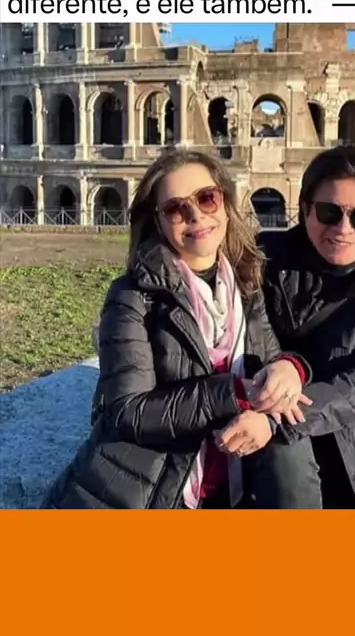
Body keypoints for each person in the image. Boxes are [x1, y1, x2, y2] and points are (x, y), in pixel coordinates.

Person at [42, 149, 322, 510]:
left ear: (225, 203)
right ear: (158, 221)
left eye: (206, 198)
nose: (195, 215)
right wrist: (234, 392)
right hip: (151, 488)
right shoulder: (132, 296)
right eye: (176, 208)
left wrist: (291, 368)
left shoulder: (245, 284)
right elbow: (128, 411)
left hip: (233, 485)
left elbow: (267, 362)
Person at [239, 145, 355, 509]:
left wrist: (277, 420)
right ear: (305, 208)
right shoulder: (257, 260)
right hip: (256, 446)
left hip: (352, 459)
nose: (343, 229)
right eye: (329, 212)